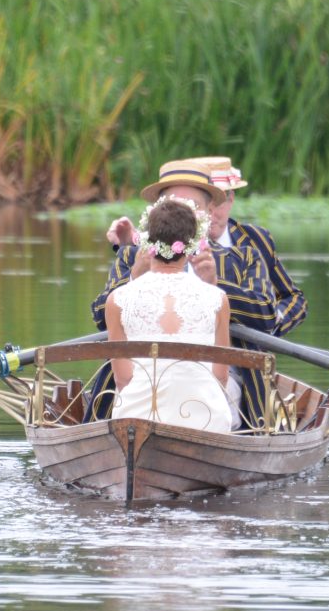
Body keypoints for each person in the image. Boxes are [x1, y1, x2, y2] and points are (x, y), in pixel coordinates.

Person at [88, 156, 306, 428]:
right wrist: (135, 276)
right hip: (136, 378)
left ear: (207, 212)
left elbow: (266, 318)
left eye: (193, 207)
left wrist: (216, 285)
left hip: (221, 379)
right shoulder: (131, 256)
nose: (183, 215)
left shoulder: (244, 256)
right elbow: (100, 317)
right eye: (176, 206)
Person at [101, 195, 234, 433]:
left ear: (146, 242)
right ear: (193, 244)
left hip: (138, 419)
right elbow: (221, 377)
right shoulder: (217, 299)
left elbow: (122, 380)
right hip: (204, 419)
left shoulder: (117, 300)